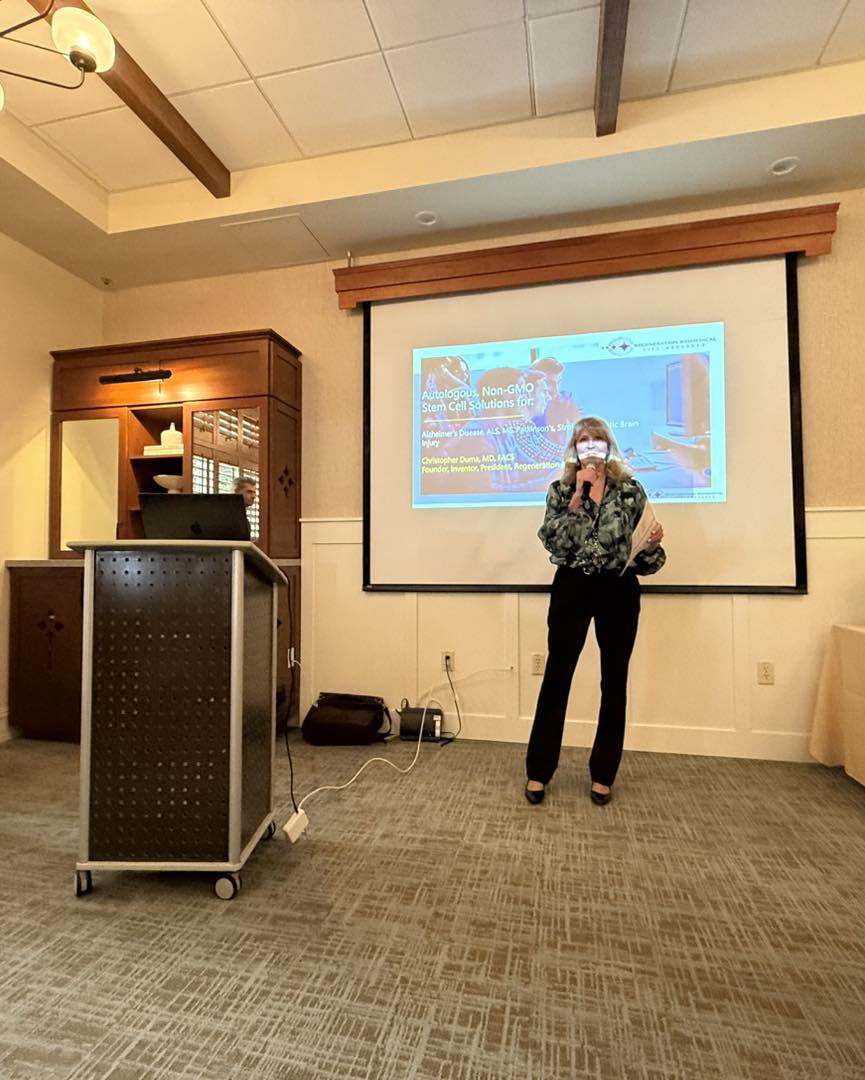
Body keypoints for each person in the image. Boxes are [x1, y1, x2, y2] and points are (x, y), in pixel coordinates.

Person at [524, 416, 665, 807]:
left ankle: (603, 774)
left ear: (608, 445)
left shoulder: (630, 492)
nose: (590, 445)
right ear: (573, 449)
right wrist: (576, 499)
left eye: (597, 439)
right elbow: (553, 541)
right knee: (557, 677)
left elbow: (647, 561)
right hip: (572, 587)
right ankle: (538, 771)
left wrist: (652, 545)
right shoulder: (560, 491)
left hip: (618, 589)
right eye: (583, 440)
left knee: (614, 680)